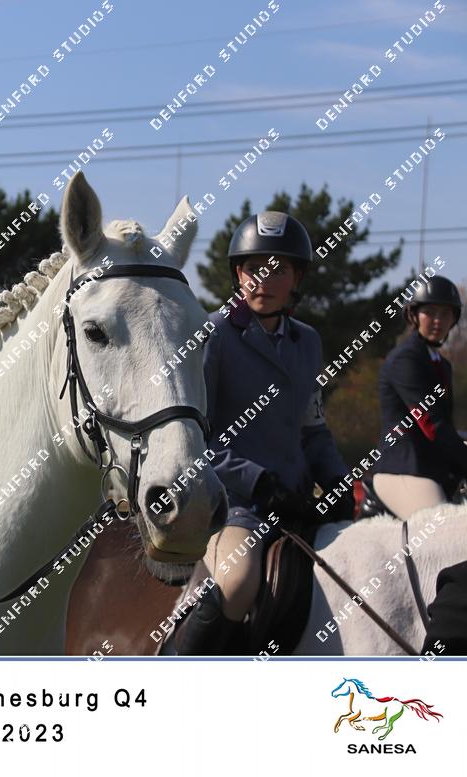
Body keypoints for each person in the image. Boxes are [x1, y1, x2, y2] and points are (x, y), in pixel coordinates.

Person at [177, 211, 353, 655]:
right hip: (235, 505)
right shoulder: (213, 334)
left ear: (297, 278)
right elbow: (197, 438)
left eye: (278, 270)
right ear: (238, 273)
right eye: (255, 268)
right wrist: (258, 483)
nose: (264, 280)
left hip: (298, 503)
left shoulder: (307, 342)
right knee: (238, 581)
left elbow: (313, 427)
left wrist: (337, 479)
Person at [372, 276, 466, 520]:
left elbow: (447, 427)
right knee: (442, 530)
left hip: (432, 470)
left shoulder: (442, 364)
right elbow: (432, 425)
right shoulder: (405, 360)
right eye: (430, 312)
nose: (438, 320)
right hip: (404, 470)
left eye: (445, 313)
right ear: (413, 315)